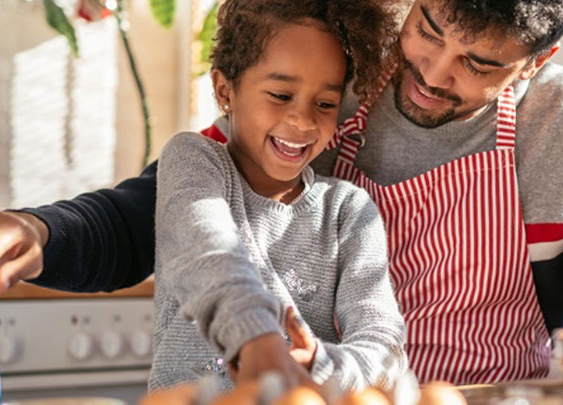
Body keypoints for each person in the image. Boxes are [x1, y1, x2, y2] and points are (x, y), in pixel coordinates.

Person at [0, 0, 563, 385]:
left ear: (532, 62)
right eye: (429, 27)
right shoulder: (333, 87)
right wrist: (42, 230)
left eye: (477, 63)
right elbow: (170, 209)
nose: (433, 70)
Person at [148, 0, 406, 391]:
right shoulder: (193, 159)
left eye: (324, 104)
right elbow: (206, 251)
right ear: (224, 91)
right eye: (281, 95)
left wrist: (320, 363)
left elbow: (383, 345)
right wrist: (257, 340)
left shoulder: (348, 211)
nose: (303, 121)